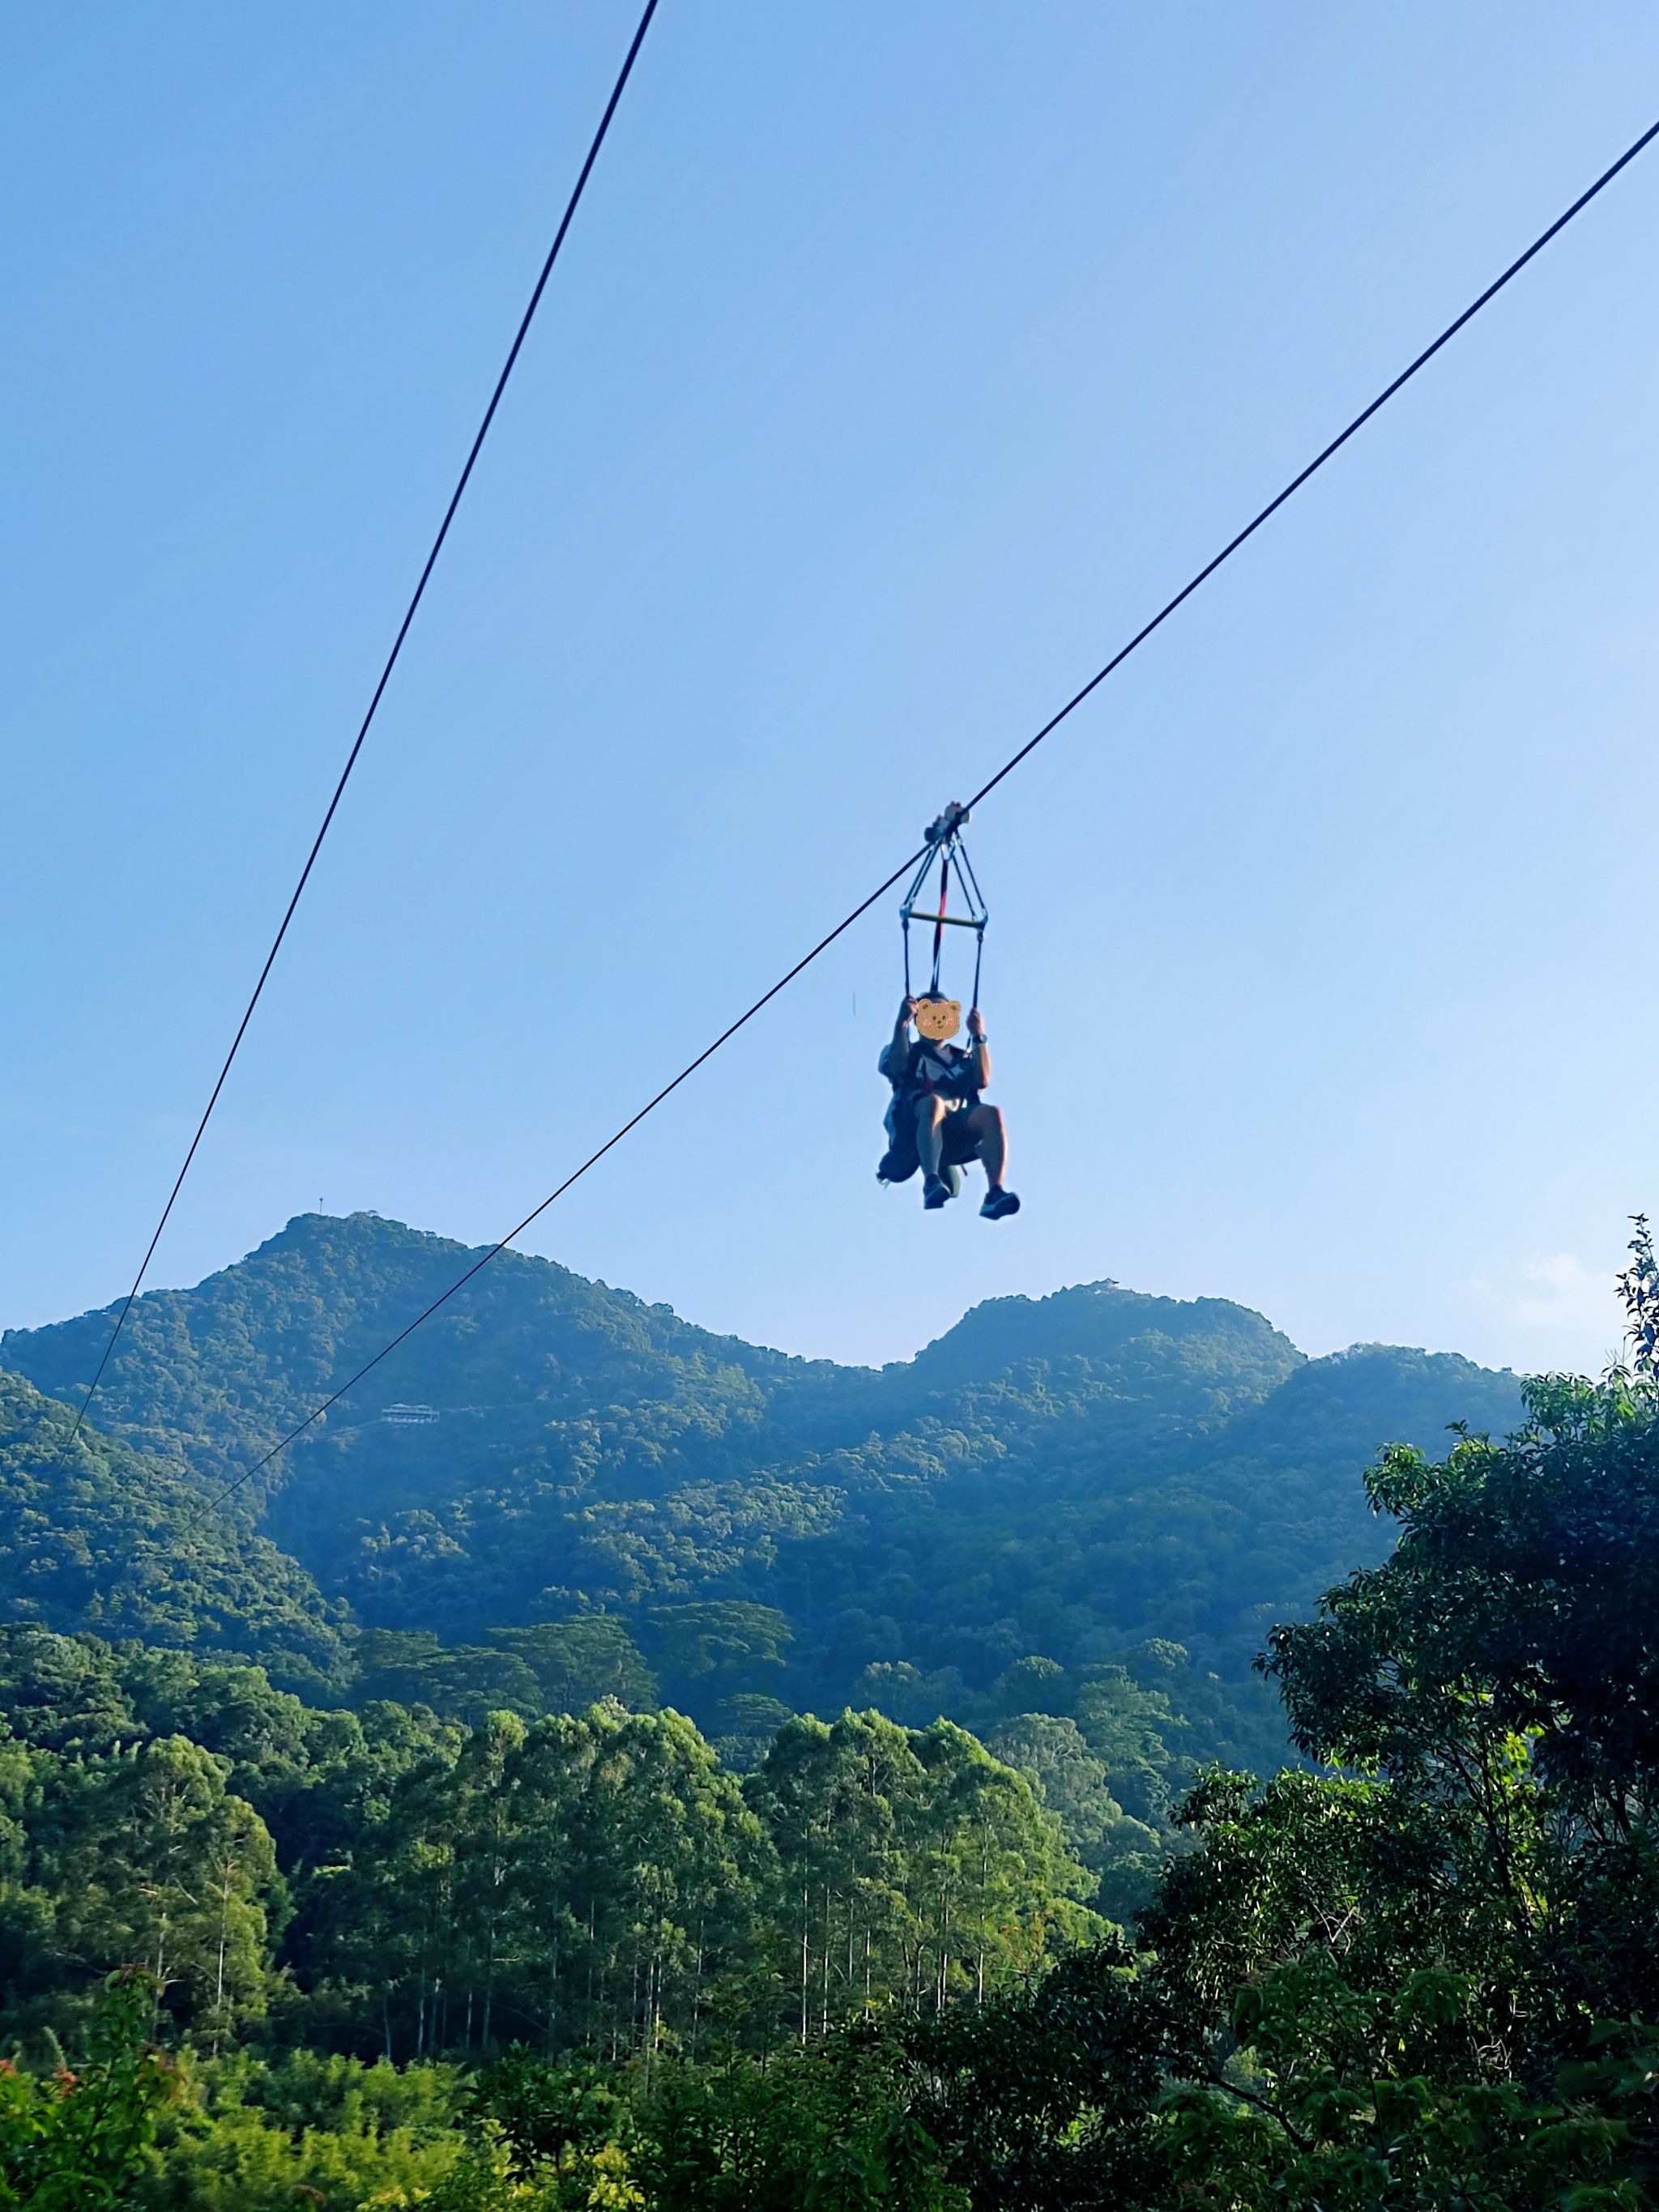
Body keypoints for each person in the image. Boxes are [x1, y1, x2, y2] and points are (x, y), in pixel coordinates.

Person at [877, 995, 1021, 1217]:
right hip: (913, 1123)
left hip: (952, 1130)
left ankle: (995, 1192)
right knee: (934, 1103)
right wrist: (901, 1023)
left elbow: (982, 1080)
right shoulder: (905, 1050)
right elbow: (897, 1068)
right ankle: (931, 1180)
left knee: (992, 1114)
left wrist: (978, 1036)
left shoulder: (960, 1058)